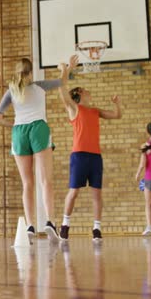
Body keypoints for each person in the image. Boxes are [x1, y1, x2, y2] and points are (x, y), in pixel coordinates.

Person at [0, 57, 63, 243]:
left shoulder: (11, 91)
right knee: (46, 180)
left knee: (27, 183)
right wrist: (66, 68)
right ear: (31, 72)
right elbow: (62, 81)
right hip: (38, 128)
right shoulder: (39, 86)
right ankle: (50, 222)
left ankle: (30, 225)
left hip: (19, 132)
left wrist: (14, 124)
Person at [57, 55, 123, 242]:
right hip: (79, 156)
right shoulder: (74, 108)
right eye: (84, 89)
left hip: (95, 157)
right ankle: (65, 224)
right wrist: (66, 70)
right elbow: (62, 90)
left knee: (96, 193)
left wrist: (117, 104)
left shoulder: (95, 111)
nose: (87, 90)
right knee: (74, 191)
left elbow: (117, 115)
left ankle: (96, 229)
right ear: (78, 95)